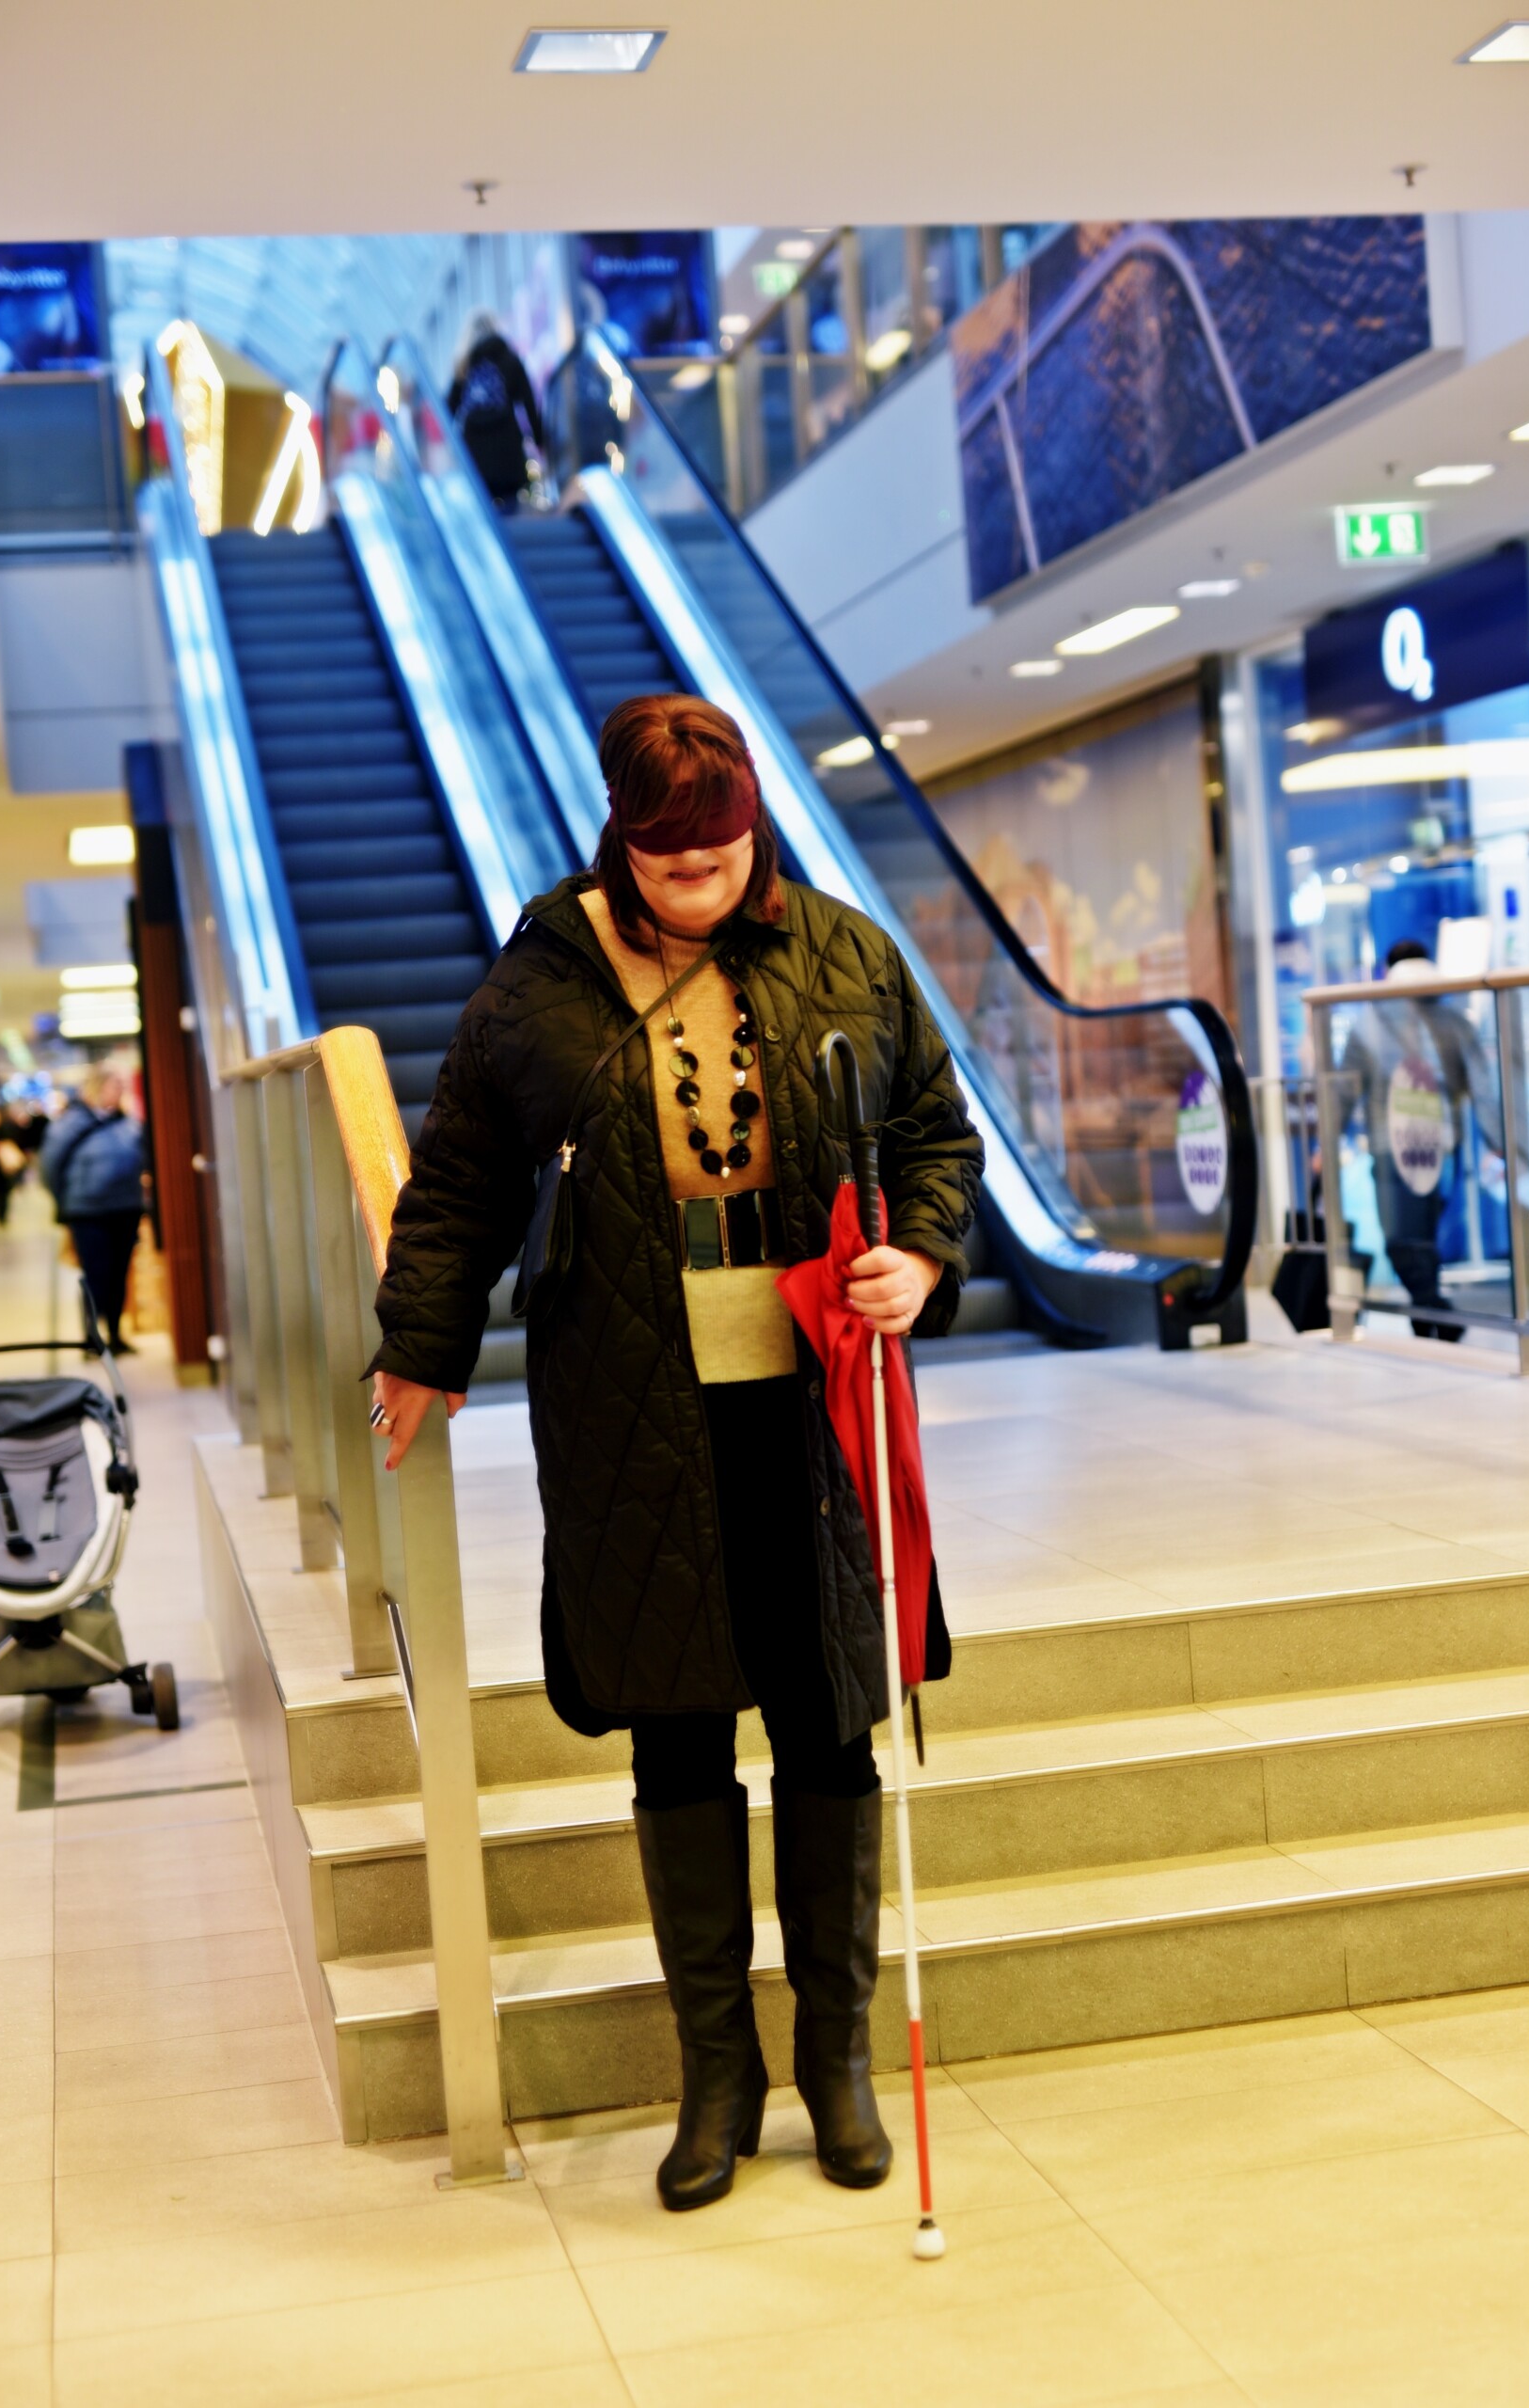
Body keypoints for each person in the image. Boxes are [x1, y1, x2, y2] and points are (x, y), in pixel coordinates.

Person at [370, 695, 983, 2212]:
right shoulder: (543, 976)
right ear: (621, 840)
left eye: (721, 859)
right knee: (676, 1729)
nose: (698, 887)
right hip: (629, 1396)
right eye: (668, 866)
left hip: (815, 1393)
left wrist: (919, 1257)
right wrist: (420, 1345)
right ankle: (718, 2080)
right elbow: (459, 1178)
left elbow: (932, 1131)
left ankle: (834, 2065)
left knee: (827, 1719)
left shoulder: (842, 950)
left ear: (752, 828)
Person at [1336, 938, 1503, 1339]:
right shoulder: (1454, 1021)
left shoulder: (1370, 1024)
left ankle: (1435, 1313)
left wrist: (1328, 1139)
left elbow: (1342, 1091)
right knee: (1423, 1237)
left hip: (1390, 1148)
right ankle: (1430, 1314)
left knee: (1402, 1239)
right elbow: (1482, 1088)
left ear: (1387, 971)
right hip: (1445, 1147)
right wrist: (1496, 1140)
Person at [39, 1067, 149, 1354]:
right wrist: (65, 1201)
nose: (120, 1091)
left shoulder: (127, 1122)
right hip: (87, 1212)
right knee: (95, 1275)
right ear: (97, 1087)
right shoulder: (69, 1124)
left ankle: (115, 1334)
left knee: (119, 1274)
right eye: (115, 1085)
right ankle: (92, 1337)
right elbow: (49, 1169)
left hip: (125, 1208)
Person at [446, 310, 543, 512]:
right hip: (507, 449)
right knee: (510, 509)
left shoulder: (463, 367)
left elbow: (447, 410)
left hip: (474, 452)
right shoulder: (510, 359)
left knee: (481, 510)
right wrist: (540, 440)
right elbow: (528, 403)